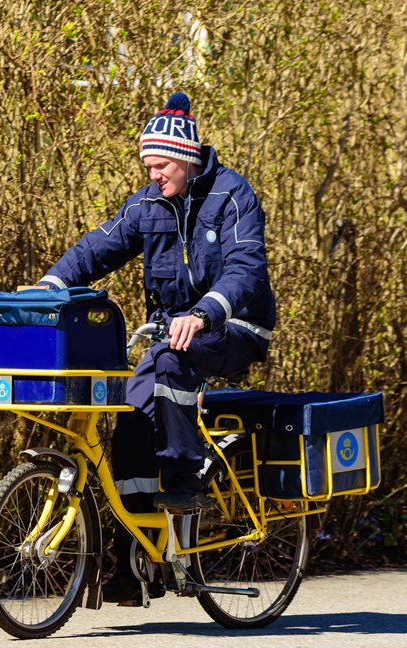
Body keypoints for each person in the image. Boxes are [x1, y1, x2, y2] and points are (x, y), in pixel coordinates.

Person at [30, 91, 276, 604]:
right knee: (131, 422)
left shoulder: (233, 196)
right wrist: (51, 284)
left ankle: (187, 480)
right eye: (148, 165)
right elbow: (97, 248)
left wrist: (206, 311)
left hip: (235, 327)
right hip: (172, 336)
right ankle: (134, 559)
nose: (154, 174)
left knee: (169, 359)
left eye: (161, 165)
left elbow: (246, 269)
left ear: (185, 160)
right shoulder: (147, 205)